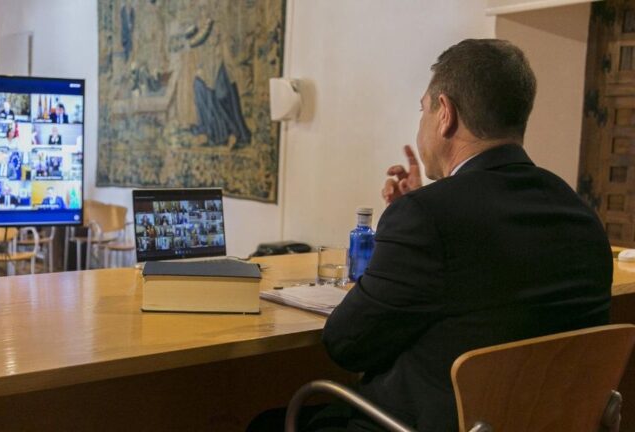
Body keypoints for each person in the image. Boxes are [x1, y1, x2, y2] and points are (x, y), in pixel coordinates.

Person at [249, 39, 613, 432]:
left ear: (445, 114)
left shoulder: (426, 219)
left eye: (422, 109)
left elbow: (347, 345)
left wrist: (416, 217)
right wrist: (418, 214)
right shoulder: (580, 216)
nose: (422, 122)